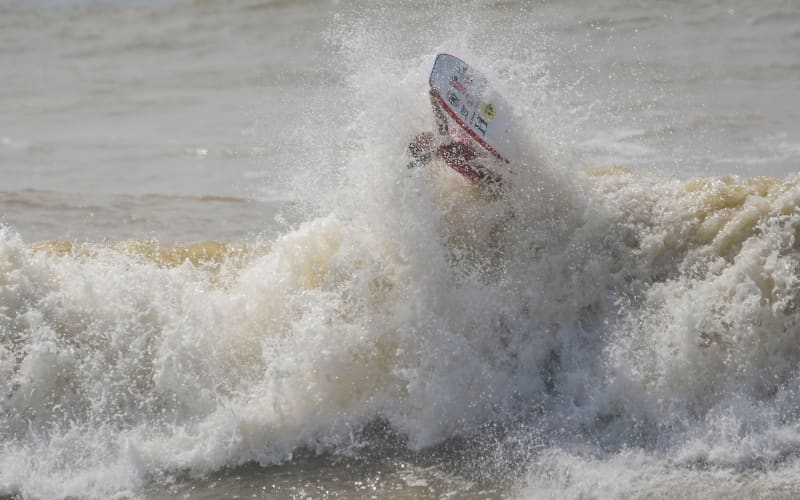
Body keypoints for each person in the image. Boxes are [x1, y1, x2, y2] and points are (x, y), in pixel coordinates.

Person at [407, 88, 503, 189]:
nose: (423, 135)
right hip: (493, 175)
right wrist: (434, 102)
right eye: (421, 139)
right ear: (426, 148)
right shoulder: (443, 149)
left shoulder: (446, 153)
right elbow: (442, 126)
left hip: (488, 177)